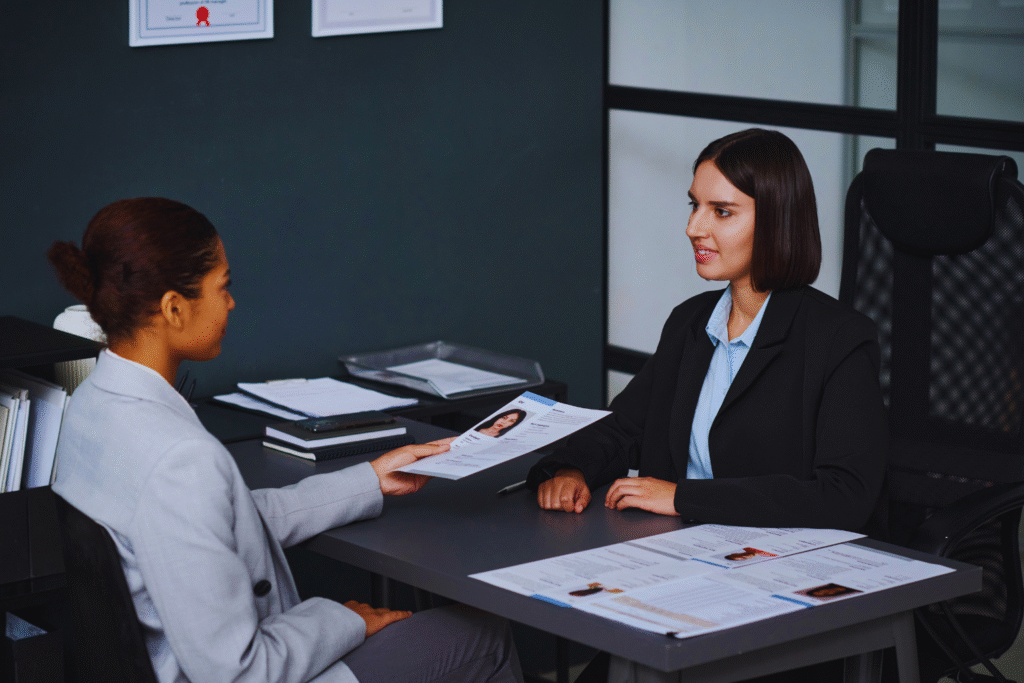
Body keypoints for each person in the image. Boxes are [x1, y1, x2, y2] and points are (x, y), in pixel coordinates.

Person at [48, 198, 523, 683]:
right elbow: (238, 672)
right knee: (484, 637)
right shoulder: (180, 459)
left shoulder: (90, 408)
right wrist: (345, 619)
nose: (231, 302)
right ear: (174, 308)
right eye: (223, 287)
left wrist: (371, 480)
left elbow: (222, 527)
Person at [529, 128, 888, 534]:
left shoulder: (839, 339)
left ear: (776, 220)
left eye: (721, 211)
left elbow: (844, 496)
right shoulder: (691, 322)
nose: (693, 227)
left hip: (781, 564)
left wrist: (683, 498)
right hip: (682, 550)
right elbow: (625, 426)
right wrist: (570, 470)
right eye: (694, 205)